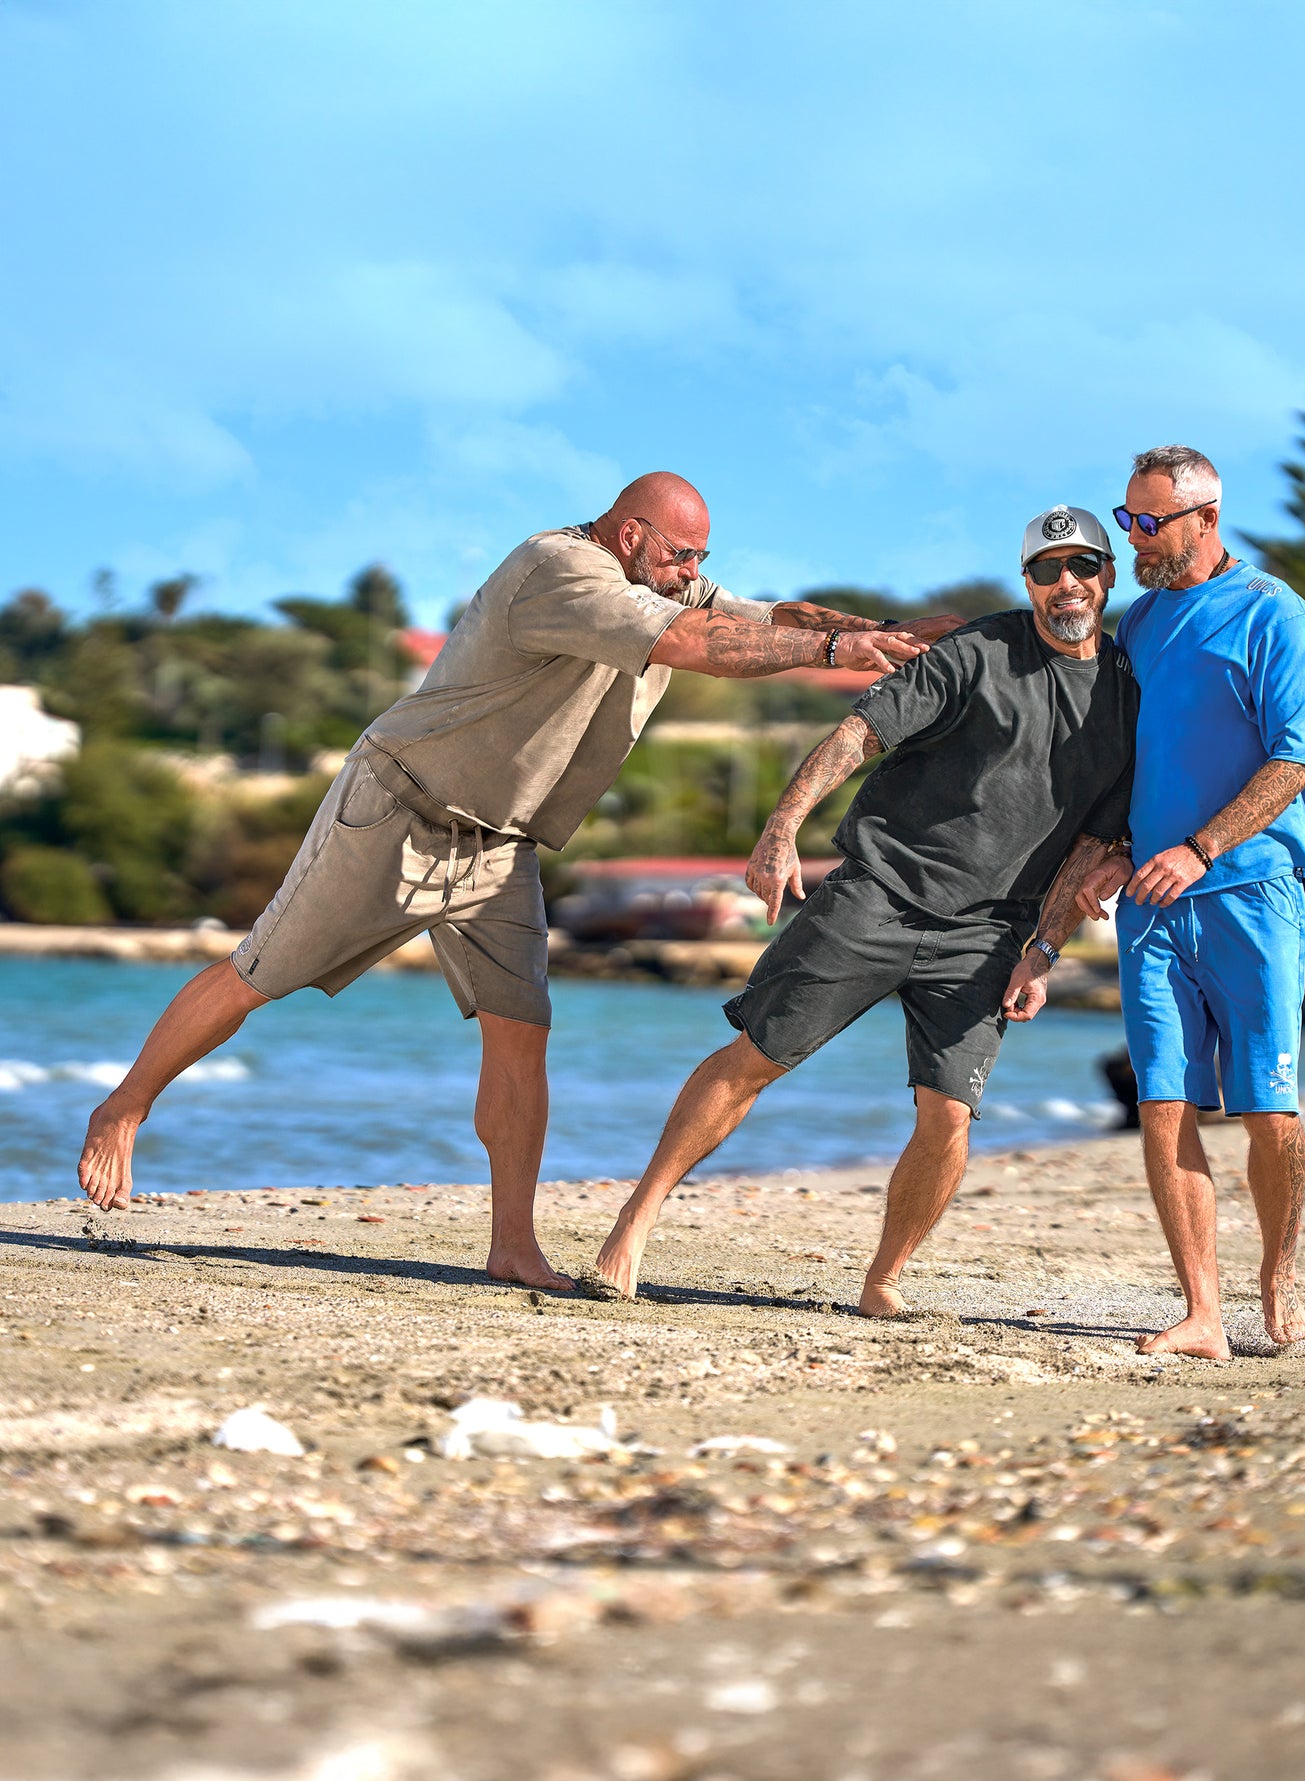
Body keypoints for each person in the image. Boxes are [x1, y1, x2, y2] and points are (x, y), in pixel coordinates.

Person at [77, 473, 953, 1292]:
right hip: (400, 813)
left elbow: (764, 615)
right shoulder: (557, 571)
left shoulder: (665, 579)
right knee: (257, 975)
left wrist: (875, 632)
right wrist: (836, 648)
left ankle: (511, 1246)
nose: (693, 575)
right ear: (629, 533)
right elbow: (699, 645)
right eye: (680, 556)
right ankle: (125, 1106)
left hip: (501, 844)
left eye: (701, 561)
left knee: (520, 1031)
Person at [588, 505, 1139, 1316]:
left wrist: (1044, 950)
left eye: (1083, 567)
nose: (1066, 584)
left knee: (949, 1114)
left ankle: (883, 1278)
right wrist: (780, 831)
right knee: (756, 1058)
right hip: (877, 892)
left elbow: (1092, 843)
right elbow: (858, 733)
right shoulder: (975, 651)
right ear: (1026, 581)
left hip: (989, 932)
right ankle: (630, 1228)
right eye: (1046, 569)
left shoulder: (1126, 696)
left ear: (1107, 576)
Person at [1076, 445, 1305, 1361]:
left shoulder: (1276, 614)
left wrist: (1200, 849)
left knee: (1266, 1109)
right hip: (1151, 898)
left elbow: (1297, 757)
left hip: (1250, 889)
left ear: (1204, 517)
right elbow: (1127, 760)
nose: (1134, 539)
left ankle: (1275, 1276)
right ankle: (1201, 1310)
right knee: (1162, 1101)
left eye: (1147, 522)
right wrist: (1116, 852)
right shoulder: (1140, 623)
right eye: (1127, 520)